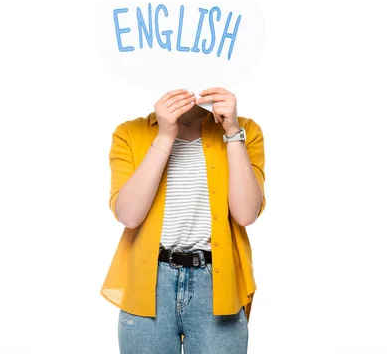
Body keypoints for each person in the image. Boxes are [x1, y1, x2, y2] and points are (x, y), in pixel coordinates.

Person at [100, 87, 267, 354]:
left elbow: (246, 214)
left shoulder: (245, 130)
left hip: (218, 285)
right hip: (148, 283)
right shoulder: (129, 132)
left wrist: (232, 132)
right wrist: (165, 135)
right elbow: (129, 215)